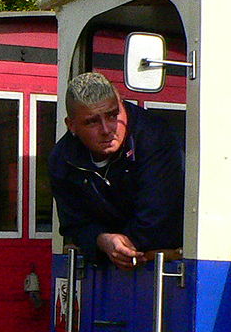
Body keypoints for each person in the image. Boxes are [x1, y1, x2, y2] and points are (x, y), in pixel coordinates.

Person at [48, 71, 183, 269]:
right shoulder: (63, 159)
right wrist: (101, 240)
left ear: (122, 104)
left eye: (113, 115)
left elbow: (159, 217)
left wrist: (122, 246)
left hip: (167, 265)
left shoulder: (155, 137)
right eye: (92, 121)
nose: (106, 129)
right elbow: (73, 224)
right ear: (71, 126)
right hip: (113, 265)